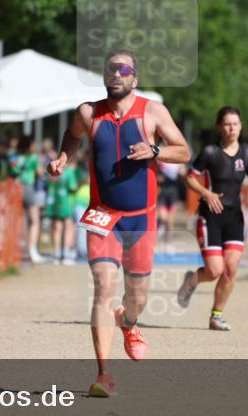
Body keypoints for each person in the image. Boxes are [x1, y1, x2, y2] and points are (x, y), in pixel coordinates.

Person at [47, 50, 190, 398]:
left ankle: (130, 322)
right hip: (103, 216)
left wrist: (155, 151)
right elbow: (72, 135)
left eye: (123, 69)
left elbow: (184, 151)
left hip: (141, 219)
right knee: (103, 287)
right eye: (111, 69)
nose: (116, 74)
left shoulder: (153, 112)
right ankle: (103, 374)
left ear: (135, 78)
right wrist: (64, 156)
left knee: (137, 296)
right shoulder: (88, 112)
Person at [176, 107, 248, 330]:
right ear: (219, 126)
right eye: (227, 124)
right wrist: (206, 193)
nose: (232, 128)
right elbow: (190, 178)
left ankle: (216, 315)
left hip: (234, 216)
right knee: (214, 270)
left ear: (241, 126)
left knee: (230, 269)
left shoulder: (247, 154)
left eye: (236, 124)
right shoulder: (210, 153)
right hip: (210, 216)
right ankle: (192, 281)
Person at [10, 135, 47, 263]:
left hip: (16, 188)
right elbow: (40, 173)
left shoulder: (13, 157)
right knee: (35, 221)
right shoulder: (33, 158)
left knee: (20, 220)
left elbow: (12, 170)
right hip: (29, 188)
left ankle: (19, 249)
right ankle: (32, 250)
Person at [45, 155, 78, 264]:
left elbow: (47, 185)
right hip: (66, 203)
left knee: (57, 228)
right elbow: (73, 187)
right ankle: (66, 254)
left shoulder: (52, 172)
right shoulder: (68, 172)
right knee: (68, 227)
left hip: (54, 202)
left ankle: (56, 253)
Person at [156, 159, 183, 253]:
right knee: (163, 217)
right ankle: (161, 224)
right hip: (162, 192)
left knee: (171, 221)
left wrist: (182, 172)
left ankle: (168, 243)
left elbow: (183, 172)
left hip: (173, 193)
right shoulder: (161, 160)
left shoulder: (177, 161)